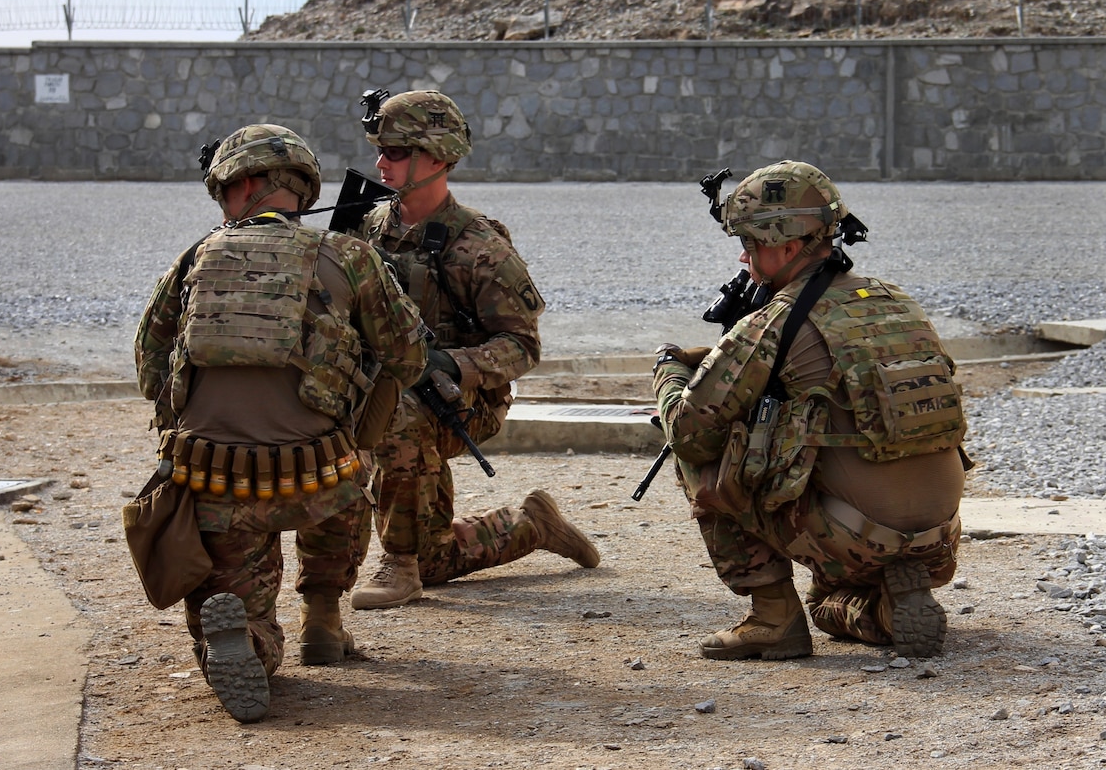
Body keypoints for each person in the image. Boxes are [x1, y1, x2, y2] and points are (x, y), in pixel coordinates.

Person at [134, 124, 426, 721]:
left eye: (222, 192)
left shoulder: (195, 256)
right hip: (320, 473)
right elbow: (408, 355)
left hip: (213, 477)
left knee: (234, 604)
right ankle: (322, 617)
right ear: (299, 188)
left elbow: (150, 358)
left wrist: (179, 429)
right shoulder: (349, 256)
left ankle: (250, 639)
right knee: (351, 462)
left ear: (244, 186)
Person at [652, 160, 968, 660]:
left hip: (854, 537)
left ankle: (773, 618)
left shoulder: (774, 322)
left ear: (790, 247)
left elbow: (692, 431)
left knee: (701, 457)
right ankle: (886, 605)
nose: (743, 254)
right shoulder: (892, 300)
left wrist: (670, 369)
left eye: (753, 244)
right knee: (826, 607)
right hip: (939, 538)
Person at [346, 89, 600, 611]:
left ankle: (399, 563)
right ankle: (530, 525)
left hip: (460, 400)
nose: (380, 163)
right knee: (436, 558)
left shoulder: (479, 247)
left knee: (394, 414)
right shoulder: (367, 229)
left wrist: (453, 364)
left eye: (395, 152)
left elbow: (522, 345)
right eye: (380, 150)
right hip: (391, 387)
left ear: (436, 157)